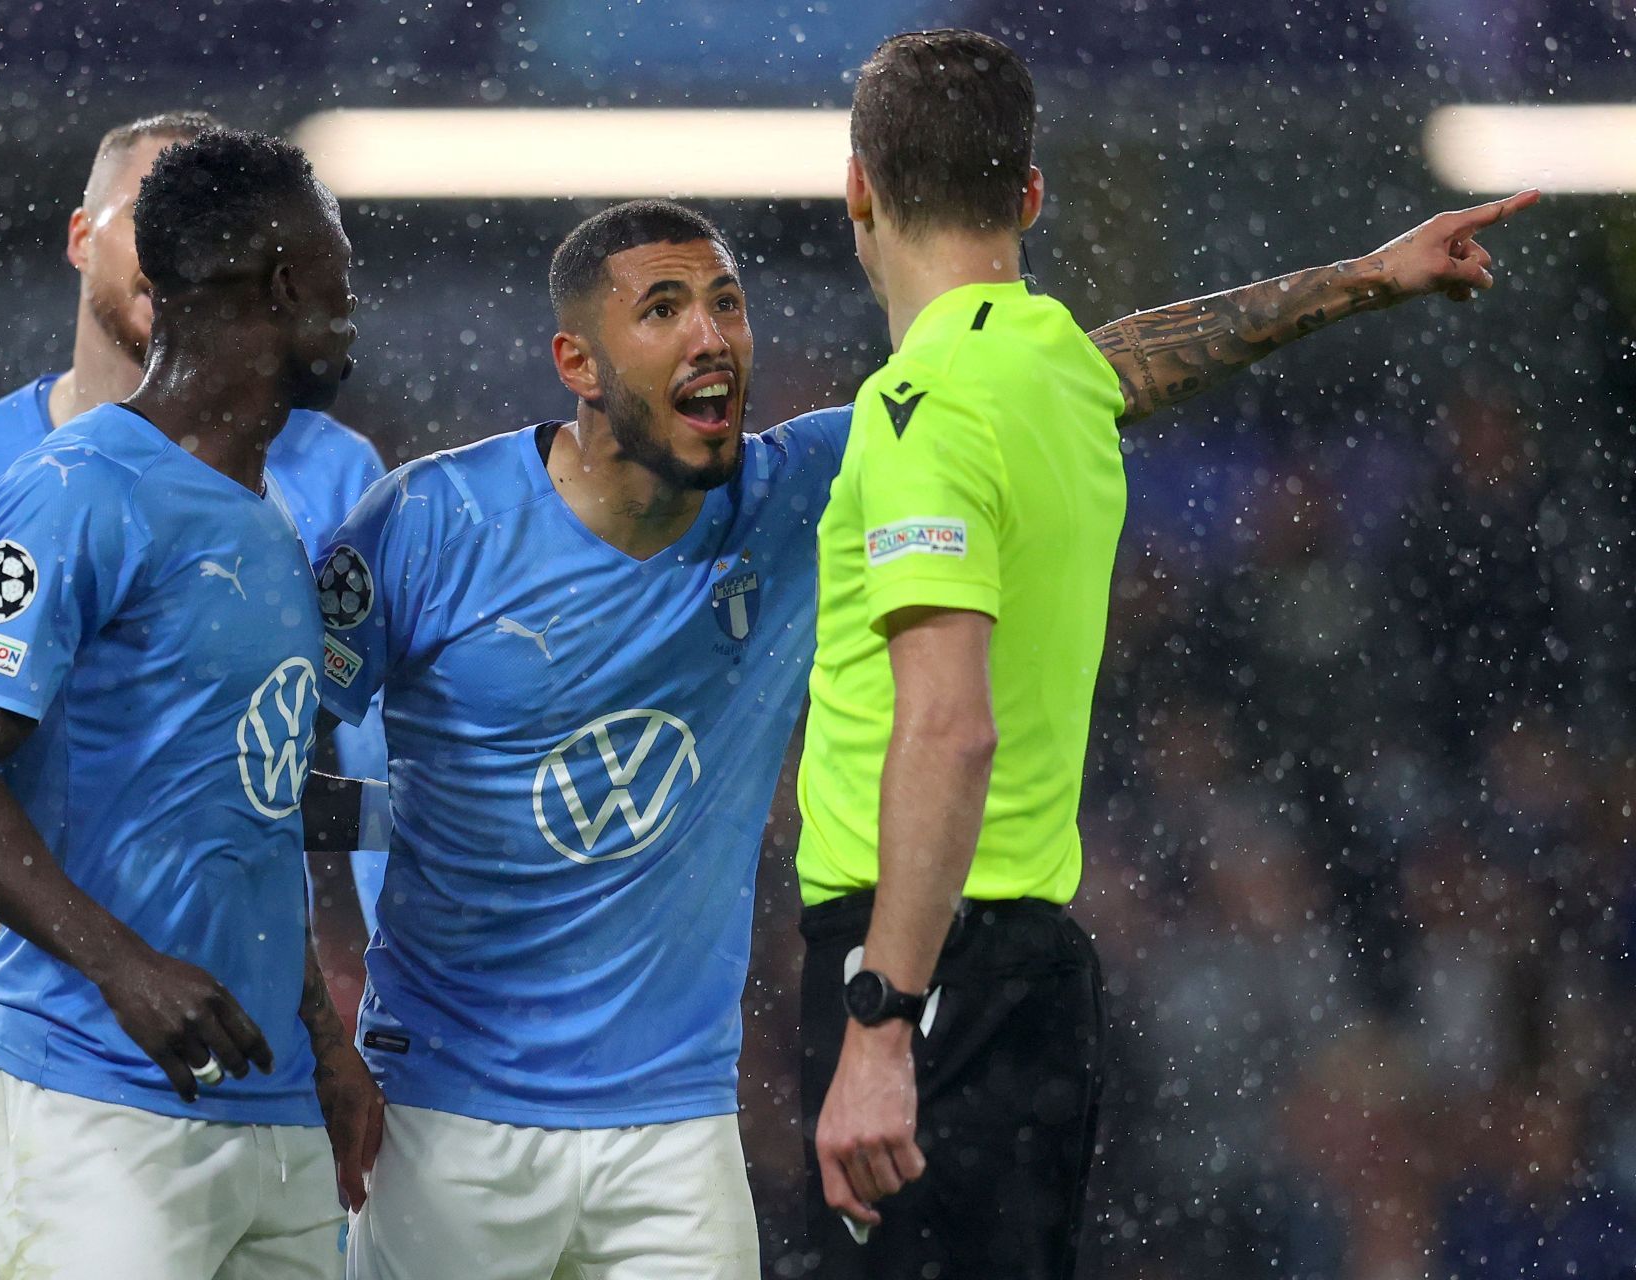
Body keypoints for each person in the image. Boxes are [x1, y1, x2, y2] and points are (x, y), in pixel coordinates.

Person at [310, 166, 1524, 1276]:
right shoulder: (424, 525)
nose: (712, 335)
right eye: (666, 307)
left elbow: (1083, 378)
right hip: (446, 1112)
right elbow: (264, 764)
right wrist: (344, 949)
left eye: (728, 303)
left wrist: (1364, 277)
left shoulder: (805, 488)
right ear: (576, 361)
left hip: (673, 1136)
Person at [795, 29, 1537, 1280]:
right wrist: (1366, 275)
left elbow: (948, 727)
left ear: (857, 187)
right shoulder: (1046, 371)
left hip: (920, 962)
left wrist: (881, 1019)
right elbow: (1152, 349)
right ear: (1029, 194)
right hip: (1030, 972)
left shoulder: (915, 415)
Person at [0, 111, 390, 1274]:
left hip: (255, 1076)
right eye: (340, 277)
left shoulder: (293, 502)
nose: (355, 307)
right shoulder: (48, 488)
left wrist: (340, 1030)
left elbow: (273, 796)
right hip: (72, 1064)